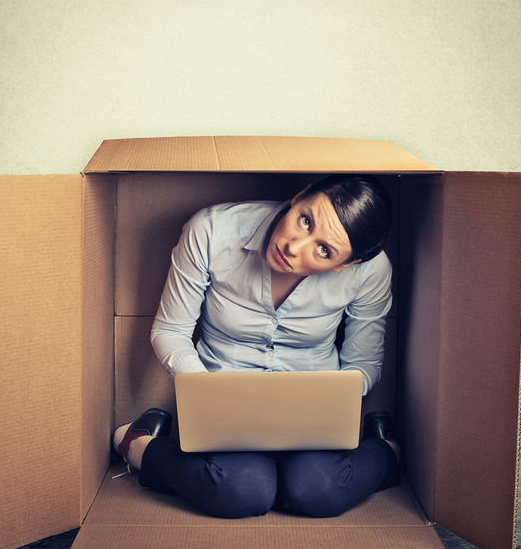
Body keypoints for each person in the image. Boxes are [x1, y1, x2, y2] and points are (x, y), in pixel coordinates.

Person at [112, 174, 402, 519]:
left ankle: (385, 451)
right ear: (301, 195)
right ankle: (139, 445)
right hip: (224, 400)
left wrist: (337, 398)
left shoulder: (370, 270)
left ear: (345, 264)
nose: (294, 247)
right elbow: (171, 329)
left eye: (324, 250)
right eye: (305, 220)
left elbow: (364, 361)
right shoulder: (211, 230)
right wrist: (203, 392)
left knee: (318, 490)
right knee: (244, 492)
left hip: (310, 413)